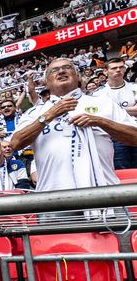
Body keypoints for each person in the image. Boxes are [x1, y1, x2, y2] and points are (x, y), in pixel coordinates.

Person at [11, 58, 137, 192]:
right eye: (54, 70)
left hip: (104, 192)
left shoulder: (104, 103)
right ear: (46, 83)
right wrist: (48, 116)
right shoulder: (35, 112)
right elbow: (15, 144)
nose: (61, 71)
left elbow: (134, 137)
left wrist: (100, 121)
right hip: (53, 197)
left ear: (78, 78)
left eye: (67, 67)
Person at [94, 57, 137, 168]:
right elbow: (102, 116)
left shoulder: (135, 87)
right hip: (115, 135)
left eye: (121, 67)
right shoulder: (98, 94)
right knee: (122, 171)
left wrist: (113, 110)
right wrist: (132, 109)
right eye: (114, 68)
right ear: (105, 71)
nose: (118, 70)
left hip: (135, 130)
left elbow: (108, 113)